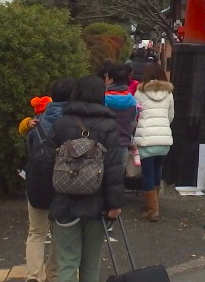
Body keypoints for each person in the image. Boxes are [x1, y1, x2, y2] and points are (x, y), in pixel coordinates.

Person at [47, 74, 125, 282]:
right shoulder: (109, 126)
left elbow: (44, 161)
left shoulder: (62, 123)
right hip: (96, 205)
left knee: (67, 263)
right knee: (90, 264)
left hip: (64, 203)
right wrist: (114, 204)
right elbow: (114, 168)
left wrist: (44, 199)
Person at [22, 78, 73, 282]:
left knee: (36, 232)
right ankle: (54, 274)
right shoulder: (74, 123)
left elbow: (30, 150)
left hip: (38, 182)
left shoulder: (37, 120)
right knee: (60, 233)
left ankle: (33, 276)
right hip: (65, 184)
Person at [132, 63, 175, 221]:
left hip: (146, 139)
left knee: (148, 174)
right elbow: (171, 117)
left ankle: (153, 210)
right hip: (164, 139)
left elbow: (135, 115)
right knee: (157, 172)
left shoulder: (139, 93)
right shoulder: (169, 94)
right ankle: (154, 205)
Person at [102, 62, 138, 158]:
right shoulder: (132, 100)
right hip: (124, 143)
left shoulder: (103, 99)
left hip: (104, 143)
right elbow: (133, 122)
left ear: (111, 80)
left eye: (106, 77)